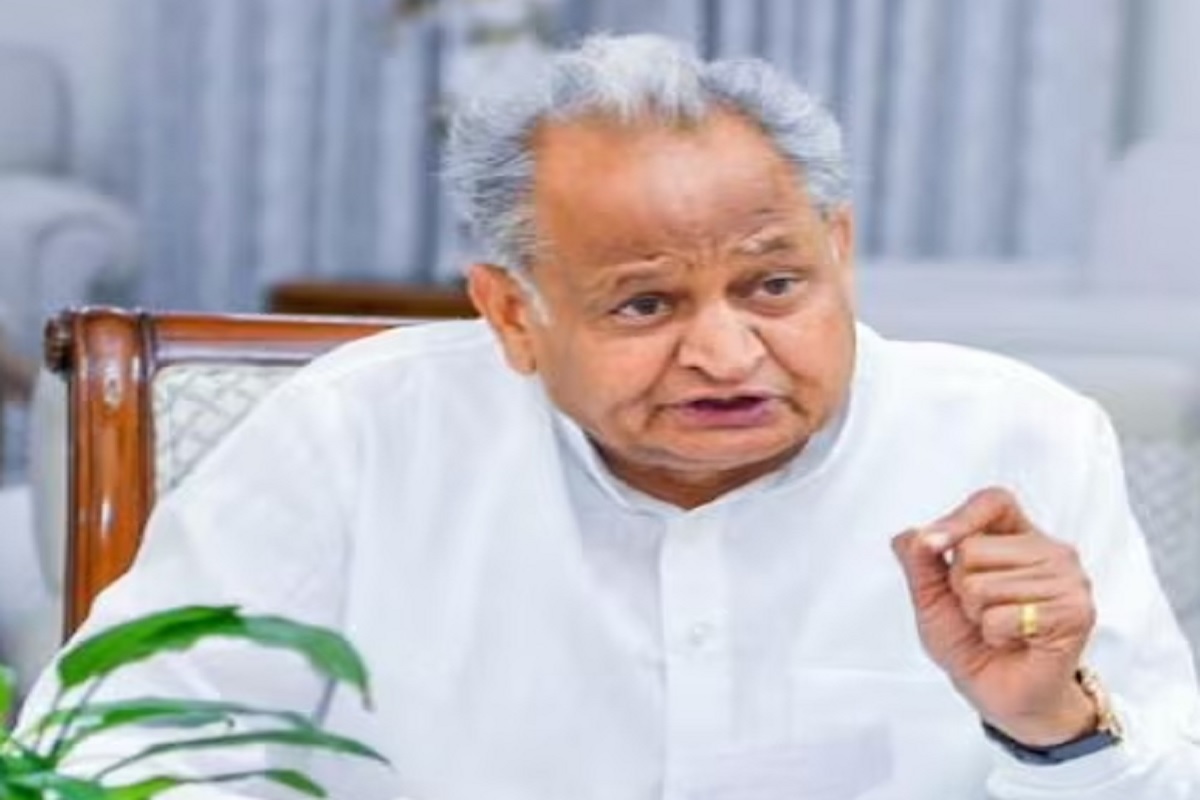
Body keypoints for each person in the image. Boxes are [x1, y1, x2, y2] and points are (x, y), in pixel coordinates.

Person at [20, 33, 1200, 799]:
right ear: (512, 313)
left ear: (838, 251)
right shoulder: (353, 432)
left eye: (772, 283)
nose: (728, 352)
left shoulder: (1019, 439)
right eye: (646, 302)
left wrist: (1052, 723)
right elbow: (121, 749)